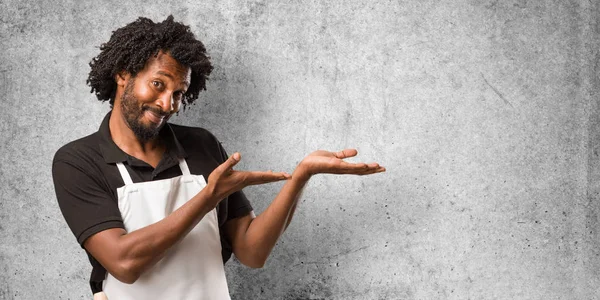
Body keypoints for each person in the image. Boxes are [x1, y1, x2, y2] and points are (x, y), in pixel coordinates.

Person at [52, 15, 385, 300]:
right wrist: (209, 196)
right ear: (123, 75)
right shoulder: (78, 161)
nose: (168, 104)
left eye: (178, 93)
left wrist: (301, 176)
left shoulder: (201, 145)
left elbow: (252, 253)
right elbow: (124, 263)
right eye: (158, 84)